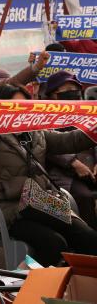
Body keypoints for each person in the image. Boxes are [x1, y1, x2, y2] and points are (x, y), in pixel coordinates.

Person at [0, 90, 97, 267]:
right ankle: (34, 288)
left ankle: (85, 280)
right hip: (9, 210)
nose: (21, 110)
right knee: (53, 243)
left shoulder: (36, 132)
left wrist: (93, 131)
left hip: (40, 201)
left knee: (85, 234)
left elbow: (69, 141)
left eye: (25, 105)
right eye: (15, 106)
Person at [43, 71, 97, 229]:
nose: (72, 92)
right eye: (66, 89)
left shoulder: (86, 113)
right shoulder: (45, 115)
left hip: (91, 169)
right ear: (53, 94)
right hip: (63, 173)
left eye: (74, 88)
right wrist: (73, 162)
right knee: (85, 197)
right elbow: (47, 144)